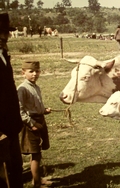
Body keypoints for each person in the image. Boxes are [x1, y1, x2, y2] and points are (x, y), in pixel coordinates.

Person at [17, 61, 52, 187]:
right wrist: (32, 124)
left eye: (37, 71)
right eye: (31, 71)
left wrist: (44, 110)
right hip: (31, 124)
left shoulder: (36, 87)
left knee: (39, 152)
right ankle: (37, 183)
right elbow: (20, 111)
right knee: (35, 153)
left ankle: (37, 178)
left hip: (40, 119)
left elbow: (37, 105)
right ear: (23, 73)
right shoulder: (22, 89)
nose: (34, 74)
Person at [0, 12, 23, 188]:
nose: (5, 37)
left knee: (15, 166)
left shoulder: (4, 55)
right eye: (2, 33)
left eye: (6, 33)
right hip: (1, 128)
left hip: (11, 124)